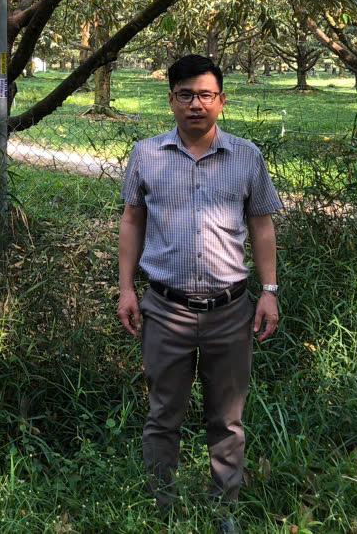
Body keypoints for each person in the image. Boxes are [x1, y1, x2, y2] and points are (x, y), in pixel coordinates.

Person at [116, 54, 281, 532]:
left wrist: (269, 291)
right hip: (165, 308)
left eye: (205, 95)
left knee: (227, 419)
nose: (196, 104)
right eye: (185, 95)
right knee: (163, 413)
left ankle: (224, 507)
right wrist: (126, 288)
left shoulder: (246, 156)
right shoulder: (146, 155)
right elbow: (132, 221)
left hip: (230, 310)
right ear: (171, 100)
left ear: (221, 101)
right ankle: (161, 506)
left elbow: (262, 226)